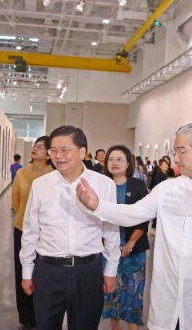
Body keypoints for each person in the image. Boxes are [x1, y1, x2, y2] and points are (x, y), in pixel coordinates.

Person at [76, 122, 192, 330]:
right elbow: (134, 213)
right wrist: (97, 205)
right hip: (168, 293)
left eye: (181, 151)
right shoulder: (168, 188)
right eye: (175, 151)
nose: (175, 158)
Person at [19, 126, 120, 330]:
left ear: (82, 152)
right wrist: (27, 271)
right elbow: (31, 231)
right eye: (53, 150)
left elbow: (111, 230)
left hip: (88, 272)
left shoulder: (104, 185)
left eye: (65, 150)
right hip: (48, 271)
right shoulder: (41, 185)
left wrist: (111, 269)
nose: (58, 156)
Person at [101, 145, 149, 330]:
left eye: (119, 159)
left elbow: (144, 217)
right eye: (111, 159)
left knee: (133, 293)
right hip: (108, 250)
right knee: (112, 293)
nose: (114, 162)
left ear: (128, 163)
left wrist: (131, 242)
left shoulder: (137, 186)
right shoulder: (103, 184)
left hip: (134, 250)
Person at [11, 137, 53, 329]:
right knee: (23, 271)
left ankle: (42, 314)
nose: (35, 148)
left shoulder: (54, 175)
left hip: (47, 232)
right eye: (35, 145)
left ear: (48, 154)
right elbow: (16, 201)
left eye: (41, 147)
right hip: (22, 229)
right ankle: (27, 316)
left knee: (43, 273)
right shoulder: (21, 173)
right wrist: (26, 221)